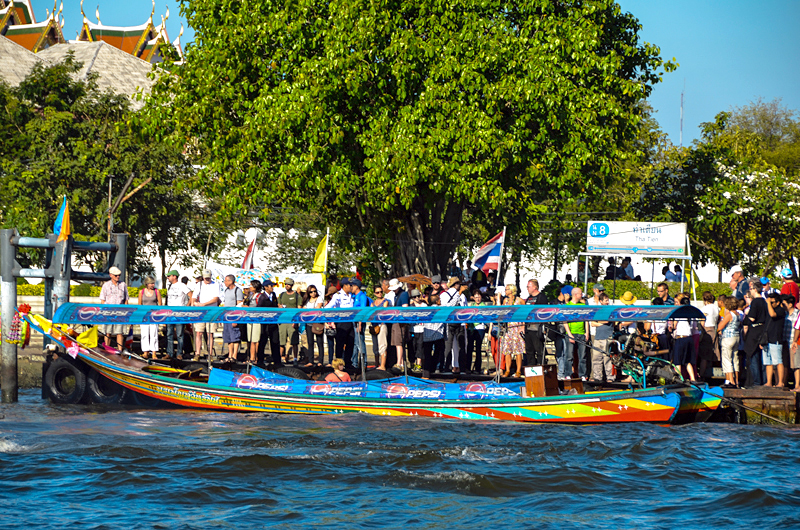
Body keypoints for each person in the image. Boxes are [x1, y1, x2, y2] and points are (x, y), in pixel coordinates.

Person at [742, 278, 767, 387]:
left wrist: (746, 315)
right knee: (761, 359)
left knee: (752, 357)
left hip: (754, 331)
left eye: (751, 289)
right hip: (762, 330)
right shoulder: (764, 301)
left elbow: (751, 319)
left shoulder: (756, 302)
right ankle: (763, 380)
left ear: (755, 289)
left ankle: (756, 382)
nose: (750, 291)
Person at [326, 278, 356, 367]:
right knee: (340, 343)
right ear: (345, 286)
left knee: (350, 342)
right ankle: (339, 363)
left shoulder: (351, 295)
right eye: (350, 285)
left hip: (350, 322)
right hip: (342, 322)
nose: (351, 287)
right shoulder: (338, 295)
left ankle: (348, 362)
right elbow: (329, 307)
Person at [669, 294, 699, 382]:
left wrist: (672, 327)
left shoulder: (681, 312)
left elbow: (674, 325)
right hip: (689, 339)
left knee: (677, 360)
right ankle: (692, 378)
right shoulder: (692, 313)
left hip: (681, 338)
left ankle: (678, 379)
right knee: (687, 361)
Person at [497, 285, 525, 378]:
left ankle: (518, 371)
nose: (505, 291)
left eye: (507, 289)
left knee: (518, 350)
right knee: (507, 350)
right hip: (508, 328)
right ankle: (507, 370)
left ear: (512, 290)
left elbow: (524, 314)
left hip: (517, 327)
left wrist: (523, 326)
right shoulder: (505, 301)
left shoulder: (520, 301)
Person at [441, 276, 468, 373]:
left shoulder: (443, 295)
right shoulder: (460, 295)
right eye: (459, 284)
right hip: (458, 322)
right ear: (455, 285)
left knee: (448, 346)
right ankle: (461, 368)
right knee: (460, 346)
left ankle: (447, 367)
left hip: (449, 322)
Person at [192, 270, 219, 361]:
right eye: (205, 277)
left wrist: (204, 304)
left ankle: (210, 354)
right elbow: (194, 296)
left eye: (208, 277)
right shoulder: (199, 284)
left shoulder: (215, 285)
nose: (207, 279)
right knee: (198, 332)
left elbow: (215, 299)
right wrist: (194, 303)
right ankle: (197, 353)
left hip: (211, 311)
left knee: (210, 333)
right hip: (201, 312)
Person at [99, 266, 128, 349]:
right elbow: (102, 299)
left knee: (120, 332)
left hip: (120, 311)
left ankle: (120, 350)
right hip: (109, 311)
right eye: (116, 275)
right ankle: (107, 349)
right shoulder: (106, 285)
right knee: (107, 332)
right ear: (111, 275)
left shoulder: (123, 285)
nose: (118, 277)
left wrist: (125, 310)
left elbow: (126, 299)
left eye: (119, 275)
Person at [165, 269, 192, 359]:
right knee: (169, 334)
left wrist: (187, 306)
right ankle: (169, 353)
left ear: (174, 276)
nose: (168, 277)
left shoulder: (182, 285)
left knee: (180, 334)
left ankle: (179, 353)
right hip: (170, 313)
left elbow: (191, 295)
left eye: (169, 276)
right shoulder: (169, 286)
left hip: (179, 313)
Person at [566, 287, 590, 380]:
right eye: (580, 293)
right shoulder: (567, 305)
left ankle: (583, 375)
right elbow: (565, 322)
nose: (582, 295)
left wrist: (587, 332)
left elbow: (586, 319)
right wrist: (569, 334)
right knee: (569, 356)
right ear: (576, 295)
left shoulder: (583, 305)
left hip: (581, 333)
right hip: (572, 332)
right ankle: (568, 374)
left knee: (582, 356)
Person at [589, 292, 615, 383]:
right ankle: (597, 377)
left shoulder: (610, 310)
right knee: (596, 358)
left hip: (607, 337)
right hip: (598, 337)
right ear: (601, 301)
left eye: (607, 300)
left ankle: (610, 377)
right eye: (605, 300)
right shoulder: (598, 310)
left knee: (607, 358)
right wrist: (600, 322)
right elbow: (592, 323)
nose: (607, 302)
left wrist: (599, 322)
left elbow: (607, 321)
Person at [763, 292, 786, 387]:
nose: (770, 304)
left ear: (777, 302)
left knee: (778, 361)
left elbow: (773, 315)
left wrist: (768, 303)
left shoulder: (780, 310)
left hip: (776, 339)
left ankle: (780, 382)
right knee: (768, 362)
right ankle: (769, 382)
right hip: (767, 339)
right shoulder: (768, 310)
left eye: (772, 302)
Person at [717, 296, 741, 387]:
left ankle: (731, 381)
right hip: (736, 337)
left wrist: (719, 328)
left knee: (727, 359)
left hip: (728, 337)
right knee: (735, 359)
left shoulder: (729, 314)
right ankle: (737, 381)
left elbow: (720, 326)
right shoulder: (738, 314)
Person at [524, 279, 549, 365]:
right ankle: (531, 369)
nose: (527, 288)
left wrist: (544, 327)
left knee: (539, 350)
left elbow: (544, 313)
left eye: (528, 286)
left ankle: (541, 368)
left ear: (535, 287)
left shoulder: (541, 297)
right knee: (529, 350)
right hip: (528, 328)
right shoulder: (529, 298)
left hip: (537, 328)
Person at [278, 278, 302, 364]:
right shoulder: (282, 295)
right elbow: (279, 305)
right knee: (281, 341)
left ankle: (295, 358)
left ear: (292, 285)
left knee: (294, 341)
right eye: (286, 284)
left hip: (292, 321)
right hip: (283, 321)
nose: (286, 285)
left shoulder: (297, 296)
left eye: (288, 284)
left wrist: (296, 321)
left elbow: (299, 310)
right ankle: (281, 358)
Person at [421, 294, 445, 379]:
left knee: (427, 355)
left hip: (427, 334)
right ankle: (432, 369)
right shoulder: (441, 309)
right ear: (437, 301)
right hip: (438, 334)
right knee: (438, 353)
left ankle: (426, 374)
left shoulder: (427, 310)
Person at [138, 276, 161, 359]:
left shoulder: (156, 291)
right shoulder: (141, 292)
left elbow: (160, 304)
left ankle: (154, 352)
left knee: (154, 334)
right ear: (147, 284)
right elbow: (139, 304)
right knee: (144, 334)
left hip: (154, 316)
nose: (153, 285)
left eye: (153, 283)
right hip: (144, 316)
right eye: (151, 283)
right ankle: (145, 352)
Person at [222, 274, 244, 362]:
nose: (224, 282)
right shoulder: (226, 290)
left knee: (235, 336)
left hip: (234, 316)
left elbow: (239, 305)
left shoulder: (237, 290)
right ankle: (230, 355)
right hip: (226, 317)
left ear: (230, 281)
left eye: (226, 281)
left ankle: (235, 355)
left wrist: (236, 319)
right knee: (228, 337)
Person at [698, 290, 720, 379]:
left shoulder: (705, 308)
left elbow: (702, 321)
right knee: (712, 352)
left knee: (704, 355)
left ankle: (702, 374)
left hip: (707, 330)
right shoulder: (716, 308)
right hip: (714, 329)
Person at [466, 290, 488, 373]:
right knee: (470, 348)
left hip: (480, 328)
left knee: (478, 348)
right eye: (476, 297)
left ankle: (477, 368)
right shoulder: (471, 306)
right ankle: (468, 367)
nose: (477, 299)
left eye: (479, 297)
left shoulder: (484, 306)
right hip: (472, 329)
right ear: (473, 298)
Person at [351, 279, 372, 369]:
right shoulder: (354, 296)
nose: (351, 287)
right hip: (354, 321)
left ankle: (364, 363)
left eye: (352, 286)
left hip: (359, 322)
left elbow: (363, 310)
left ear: (356, 286)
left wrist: (360, 323)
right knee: (355, 343)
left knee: (360, 342)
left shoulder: (362, 296)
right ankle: (354, 362)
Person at [370, 284, 391, 370]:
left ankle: (383, 365)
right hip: (374, 325)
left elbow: (383, 312)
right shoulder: (372, 303)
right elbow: (371, 314)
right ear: (374, 293)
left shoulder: (385, 301)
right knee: (375, 346)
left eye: (381, 292)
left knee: (382, 345)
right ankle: (376, 364)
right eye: (377, 292)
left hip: (382, 324)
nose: (379, 294)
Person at [303, 284, 325, 365]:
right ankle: (310, 361)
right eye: (311, 292)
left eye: (315, 291)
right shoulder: (307, 300)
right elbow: (303, 309)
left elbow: (318, 307)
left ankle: (320, 361)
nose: (313, 293)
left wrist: (309, 311)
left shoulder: (319, 298)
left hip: (317, 323)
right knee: (310, 342)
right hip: (308, 323)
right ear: (308, 293)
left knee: (319, 342)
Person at [246, 280, 267, 363]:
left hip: (257, 320)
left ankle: (255, 358)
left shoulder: (260, 296)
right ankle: (251, 357)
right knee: (251, 340)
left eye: (251, 285)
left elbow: (260, 308)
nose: (250, 287)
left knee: (255, 340)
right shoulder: (251, 296)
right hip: (250, 319)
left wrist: (249, 309)